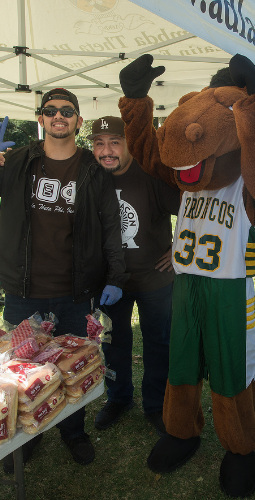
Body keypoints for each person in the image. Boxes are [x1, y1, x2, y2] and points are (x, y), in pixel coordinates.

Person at [0, 89, 128, 472]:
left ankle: (74, 432)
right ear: (40, 118)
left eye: (67, 111)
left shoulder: (92, 169)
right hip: (24, 290)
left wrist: (116, 274)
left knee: (73, 366)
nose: (59, 116)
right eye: (51, 110)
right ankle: (28, 433)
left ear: (78, 122)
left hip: (75, 291)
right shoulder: (17, 161)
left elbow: (111, 225)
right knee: (23, 371)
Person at [89, 116, 180, 435]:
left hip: (156, 279)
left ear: (129, 144)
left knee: (159, 343)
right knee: (113, 342)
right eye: (99, 143)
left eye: (114, 142)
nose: (107, 150)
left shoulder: (150, 174)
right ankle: (118, 398)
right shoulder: (91, 176)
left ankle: (156, 404)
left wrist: (180, 246)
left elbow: (192, 207)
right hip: (111, 282)